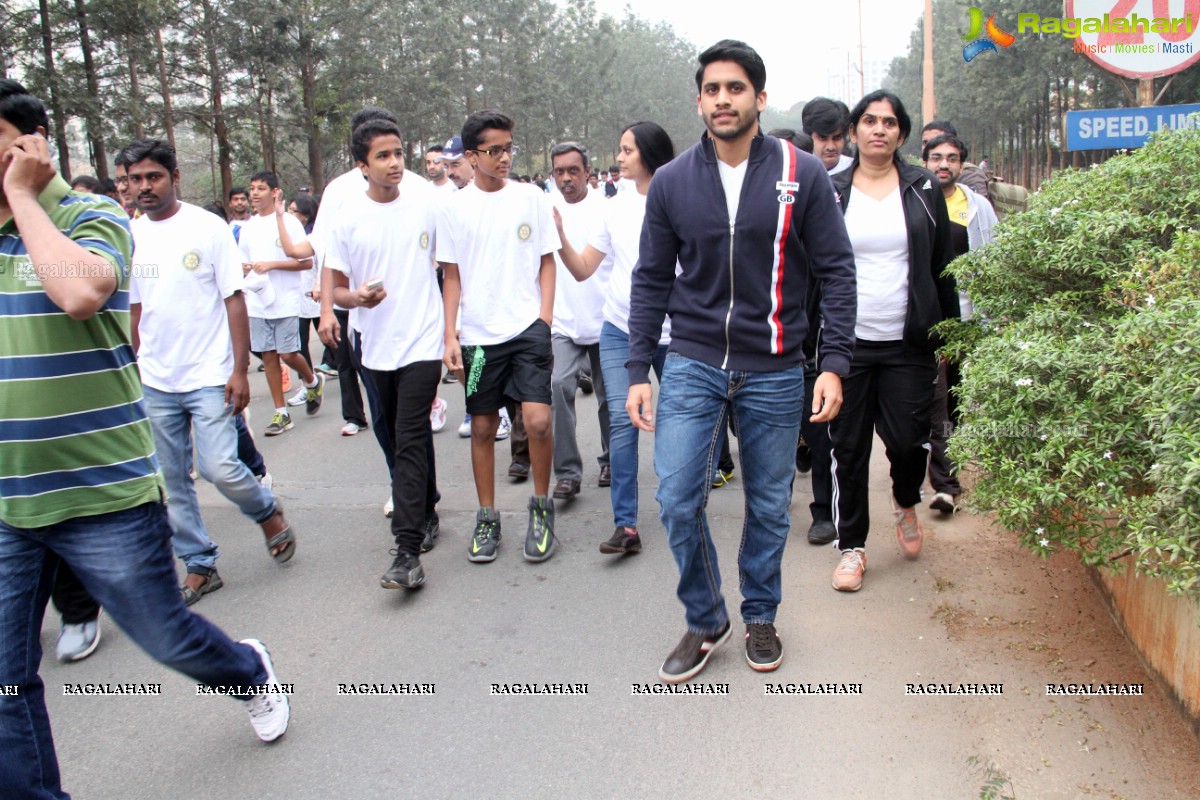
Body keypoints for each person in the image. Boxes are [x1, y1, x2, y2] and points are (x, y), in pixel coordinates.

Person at [0, 81, 290, 800]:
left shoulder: (90, 213)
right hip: (11, 496)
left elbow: (82, 293)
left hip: (102, 490)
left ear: (29, 145)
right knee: (6, 680)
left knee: (169, 638)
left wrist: (27, 201)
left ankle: (247, 670)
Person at [626, 41, 857, 681]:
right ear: (699, 100)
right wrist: (637, 370)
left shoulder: (801, 172)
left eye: (735, 88)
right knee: (675, 496)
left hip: (778, 367)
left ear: (758, 95)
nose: (723, 99)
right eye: (711, 89)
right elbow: (650, 279)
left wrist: (833, 362)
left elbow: (837, 273)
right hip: (693, 360)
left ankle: (760, 613)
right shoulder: (672, 181)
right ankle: (706, 617)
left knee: (767, 502)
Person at [121, 137, 297, 604]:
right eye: (135, 179)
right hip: (156, 378)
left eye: (153, 177)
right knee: (172, 480)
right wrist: (129, 366)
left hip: (209, 373)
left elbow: (233, 300)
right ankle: (199, 563)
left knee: (218, 467)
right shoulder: (130, 234)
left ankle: (264, 510)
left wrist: (240, 371)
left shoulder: (208, 228)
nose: (144, 187)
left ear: (174, 178)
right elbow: (136, 308)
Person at [828, 90, 958, 592]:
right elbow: (814, 267)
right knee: (849, 450)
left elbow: (943, 264)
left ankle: (905, 500)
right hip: (848, 345)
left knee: (907, 443)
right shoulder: (833, 190)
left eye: (889, 123)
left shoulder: (923, 187)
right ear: (854, 131)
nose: (878, 129)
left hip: (909, 343)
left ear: (902, 134)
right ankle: (852, 547)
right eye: (869, 121)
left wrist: (948, 330)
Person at [438, 109, 560, 564]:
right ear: (471, 156)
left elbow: (548, 260)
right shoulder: (452, 207)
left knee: (538, 421)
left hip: (528, 328)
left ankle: (542, 509)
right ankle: (487, 516)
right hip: (477, 338)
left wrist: (544, 320)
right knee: (484, 426)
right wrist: (450, 334)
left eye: (509, 147)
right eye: (494, 150)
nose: (505, 157)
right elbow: (451, 275)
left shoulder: (530, 197)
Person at [327, 118, 444, 588]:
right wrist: (355, 299)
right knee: (389, 433)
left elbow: (450, 266)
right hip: (372, 346)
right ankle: (427, 504)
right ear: (362, 165)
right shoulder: (345, 217)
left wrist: (454, 333)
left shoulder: (425, 206)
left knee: (410, 432)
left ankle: (406, 551)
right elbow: (334, 288)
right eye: (382, 156)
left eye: (398, 153)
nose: (394, 163)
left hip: (423, 339)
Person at [555, 121, 674, 555]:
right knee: (623, 421)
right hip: (620, 328)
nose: (619, 158)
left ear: (649, 154)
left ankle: (679, 506)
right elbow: (585, 268)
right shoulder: (614, 206)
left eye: (627, 150)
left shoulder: (681, 197)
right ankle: (625, 525)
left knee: (676, 424)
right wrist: (560, 237)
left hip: (676, 331)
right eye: (619, 149)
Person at [922, 132, 997, 513]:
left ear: (962, 165)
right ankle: (946, 485)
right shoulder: (917, 203)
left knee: (957, 404)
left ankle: (947, 466)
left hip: (970, 321)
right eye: (936, 157)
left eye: (951, 158)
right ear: (925, 162)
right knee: (936, 402)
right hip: (931, 324)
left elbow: (995, 258)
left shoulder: (977, 207)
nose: (943, 165)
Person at [545, 141, 611, 501]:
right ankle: (568, 472)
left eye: (573, 170)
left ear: (588, 171)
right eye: (559, 172)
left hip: (605, 321)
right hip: (563, 322)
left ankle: (611, 459)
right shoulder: (546, 210)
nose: (567, 178)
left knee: (608, 397)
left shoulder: (606, 209)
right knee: (558, 388)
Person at [239, 170, 325, 436]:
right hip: (258, 300)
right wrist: (246, 268)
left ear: (274, 192)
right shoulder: (248, 226)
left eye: (261, 188)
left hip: (286, 299)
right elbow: (242, 263)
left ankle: (311, 380)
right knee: (268, 356)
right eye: (252, 188)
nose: (254, 193)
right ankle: (281, 412)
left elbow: (306, 262)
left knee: (287, 353)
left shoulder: (289, 222)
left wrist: (272, 265)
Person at [802, 97, 853, 175]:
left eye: (837, 138)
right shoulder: (799, 171)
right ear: (808, 137)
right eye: (823, 138)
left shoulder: (855, 170)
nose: (831, 147)